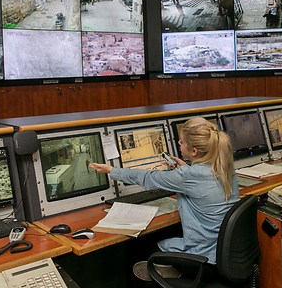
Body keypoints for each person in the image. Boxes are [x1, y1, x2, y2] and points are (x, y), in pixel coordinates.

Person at [89, 117, 239, 282]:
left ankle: (166, 272)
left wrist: (112, 170)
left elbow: (149, 177)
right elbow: (198, 179)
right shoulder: (225, 166)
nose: (179, 144)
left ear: (194, 151)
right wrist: (186, 169)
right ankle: (171, 271)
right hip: (228, 254)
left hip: (203, 259)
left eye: (181, 142)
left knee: (139, 245)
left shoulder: (189, 176)